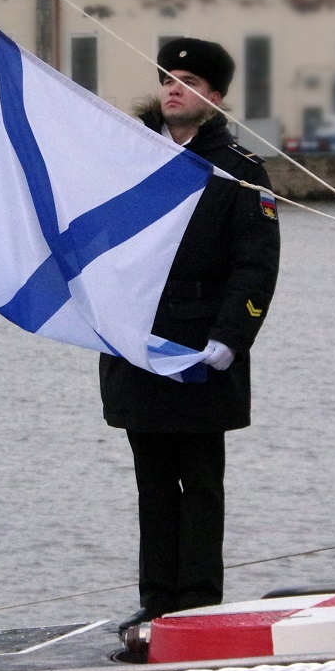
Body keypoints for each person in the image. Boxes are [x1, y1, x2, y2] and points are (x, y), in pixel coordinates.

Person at [102, 37, 280, 635]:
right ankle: (157, 602)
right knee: (152, 481)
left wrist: (233, 335)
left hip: (202, 343)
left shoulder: (240, 171)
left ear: (215, 99)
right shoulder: (131, 156)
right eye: (168, 78)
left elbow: (256, 263)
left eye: (190, 81)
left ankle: (201, 603)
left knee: (200, 480)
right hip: (139, 340)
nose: (173, 88)